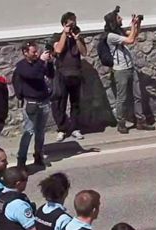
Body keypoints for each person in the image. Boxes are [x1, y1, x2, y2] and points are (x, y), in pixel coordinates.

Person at [104, 6, 153, 134]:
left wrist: (137, 24)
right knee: (122, 98)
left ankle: (140, 121)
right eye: (118, 18)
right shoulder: (111, 36)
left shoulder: (119, 32)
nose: (121, 19)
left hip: (130, 67)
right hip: (120, 70)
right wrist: (132, 25)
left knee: (138, 95)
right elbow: (130, 40)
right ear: (113, 21)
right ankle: (121, 123)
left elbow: (134, 35)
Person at [14, 41, 54, 170]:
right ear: (25, 52)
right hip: (31, 103)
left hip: (44, 102)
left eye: (37, 51)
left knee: (40, 132)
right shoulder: (21, 66)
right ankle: (21, 160)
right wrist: (41, 62)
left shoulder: (39, 64)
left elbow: (50, 74)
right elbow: (32, 75)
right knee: (29, 131)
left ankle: (38, 156)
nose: (36, 54)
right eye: (33, 52)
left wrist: (50, 63)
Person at [51, 11, 86, 142]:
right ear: (64, 24)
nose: (74, 25)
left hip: (76, 74)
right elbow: (58, 50)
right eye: (71, 22)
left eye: (75, 22)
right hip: (62, 74)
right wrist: (65, 34)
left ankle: (75, 128)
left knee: (75, 103)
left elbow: (84, 52)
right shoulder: (56, 36)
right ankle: (62, 129)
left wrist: (77, 38)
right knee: (60, 103)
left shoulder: (78, 36)